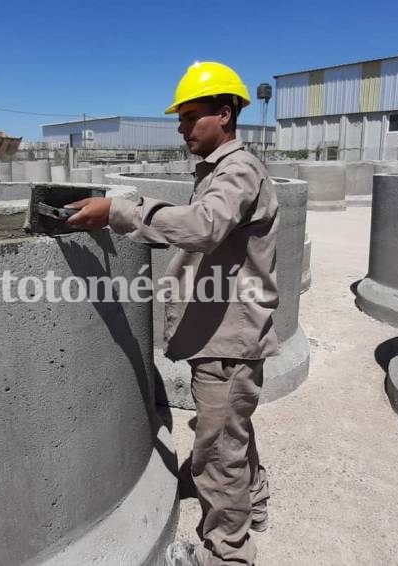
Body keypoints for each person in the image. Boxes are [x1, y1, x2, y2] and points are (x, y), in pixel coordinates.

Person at [66, 61, 279, 566]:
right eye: (180, 120)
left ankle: (226, 553)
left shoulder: (238, 169)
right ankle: (256, 501)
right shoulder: (223, 170)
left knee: (219, 449)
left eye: (190, 118)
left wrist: (121, 212)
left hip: (231, 339)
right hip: (228, 333)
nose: (182, 129)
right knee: (231, 429)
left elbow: (205, 226)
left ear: (224, 115)